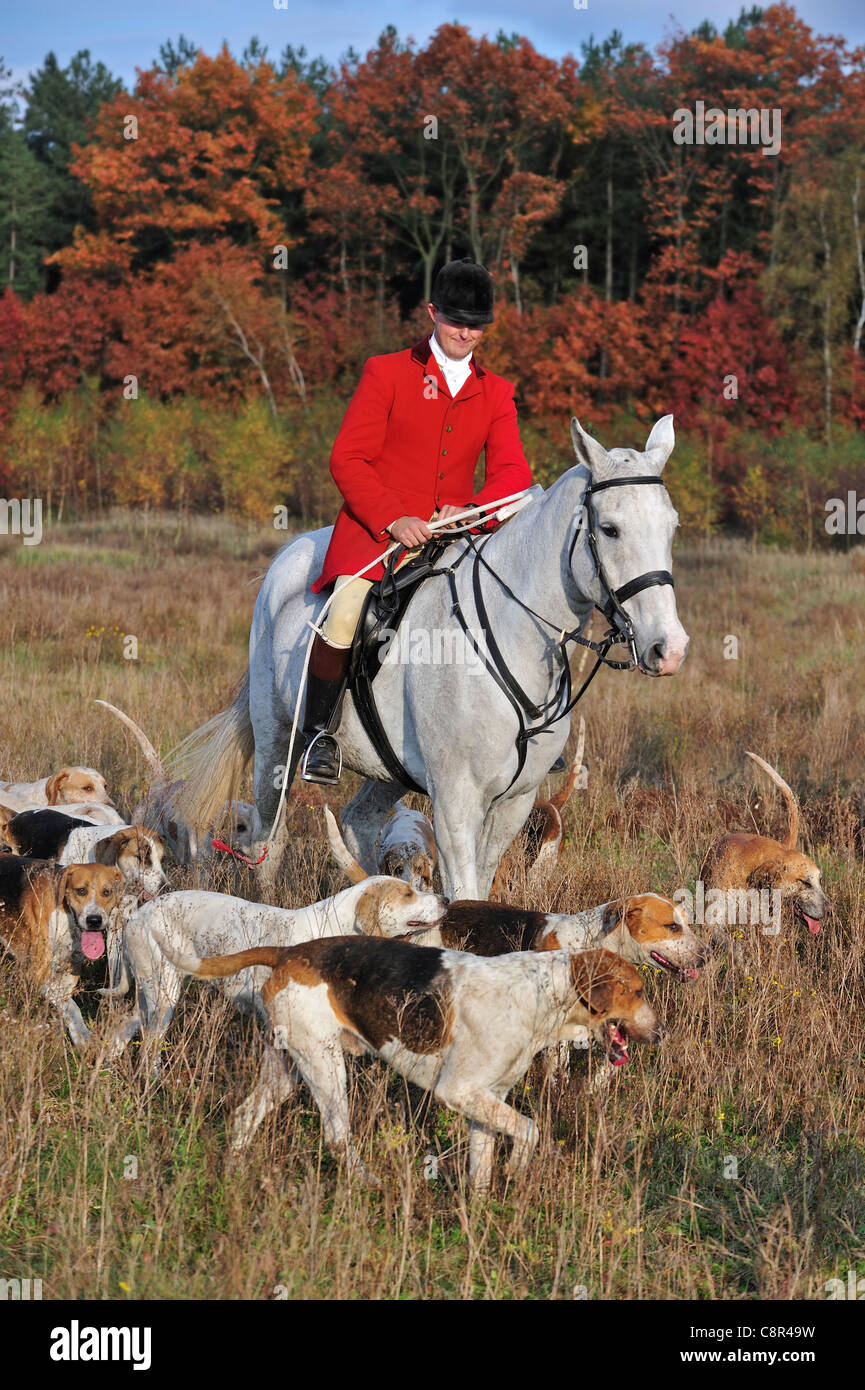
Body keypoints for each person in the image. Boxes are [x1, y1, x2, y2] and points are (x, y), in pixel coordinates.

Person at [300, 256, 533, 784]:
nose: (465, 332)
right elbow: (347, 459)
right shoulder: (386, 371)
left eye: (475, 325)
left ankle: (521, 729)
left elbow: (514, 473)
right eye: (455, 320)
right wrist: (392, 518)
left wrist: (472, 510)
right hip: (376, 534)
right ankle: (318, 735)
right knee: (345, 612)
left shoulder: (495, 391)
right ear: (432, 313)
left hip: (454, 537)